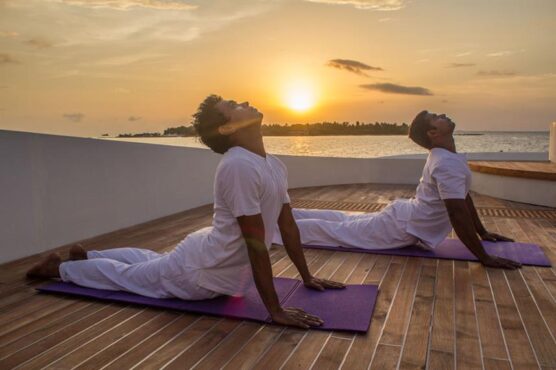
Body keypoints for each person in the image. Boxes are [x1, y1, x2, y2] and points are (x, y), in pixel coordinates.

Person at [27, 95, 345, 329]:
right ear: (229, 127)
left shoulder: (272, 164)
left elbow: (287, 225)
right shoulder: (238, 165)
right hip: (199, 274)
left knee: (154, 263)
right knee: (129, 277)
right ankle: (60, 270)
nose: (245, 101)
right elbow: (255, 241)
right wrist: (275, 309)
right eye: (234, 105)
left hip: (208, 260)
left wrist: (306, 276)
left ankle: (91, 255)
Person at [276, 111, 521, 270]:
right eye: (437, 117)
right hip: (400, 227)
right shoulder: (446, 162)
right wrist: (484, 257)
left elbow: (463, 197)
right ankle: (272, 228)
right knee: (336, 230)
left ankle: (281, 216)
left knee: (343, 221)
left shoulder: (445, 157)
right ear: (433, 133)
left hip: (402, 219)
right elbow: (457, 213)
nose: (443, 114)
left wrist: (482, 232)